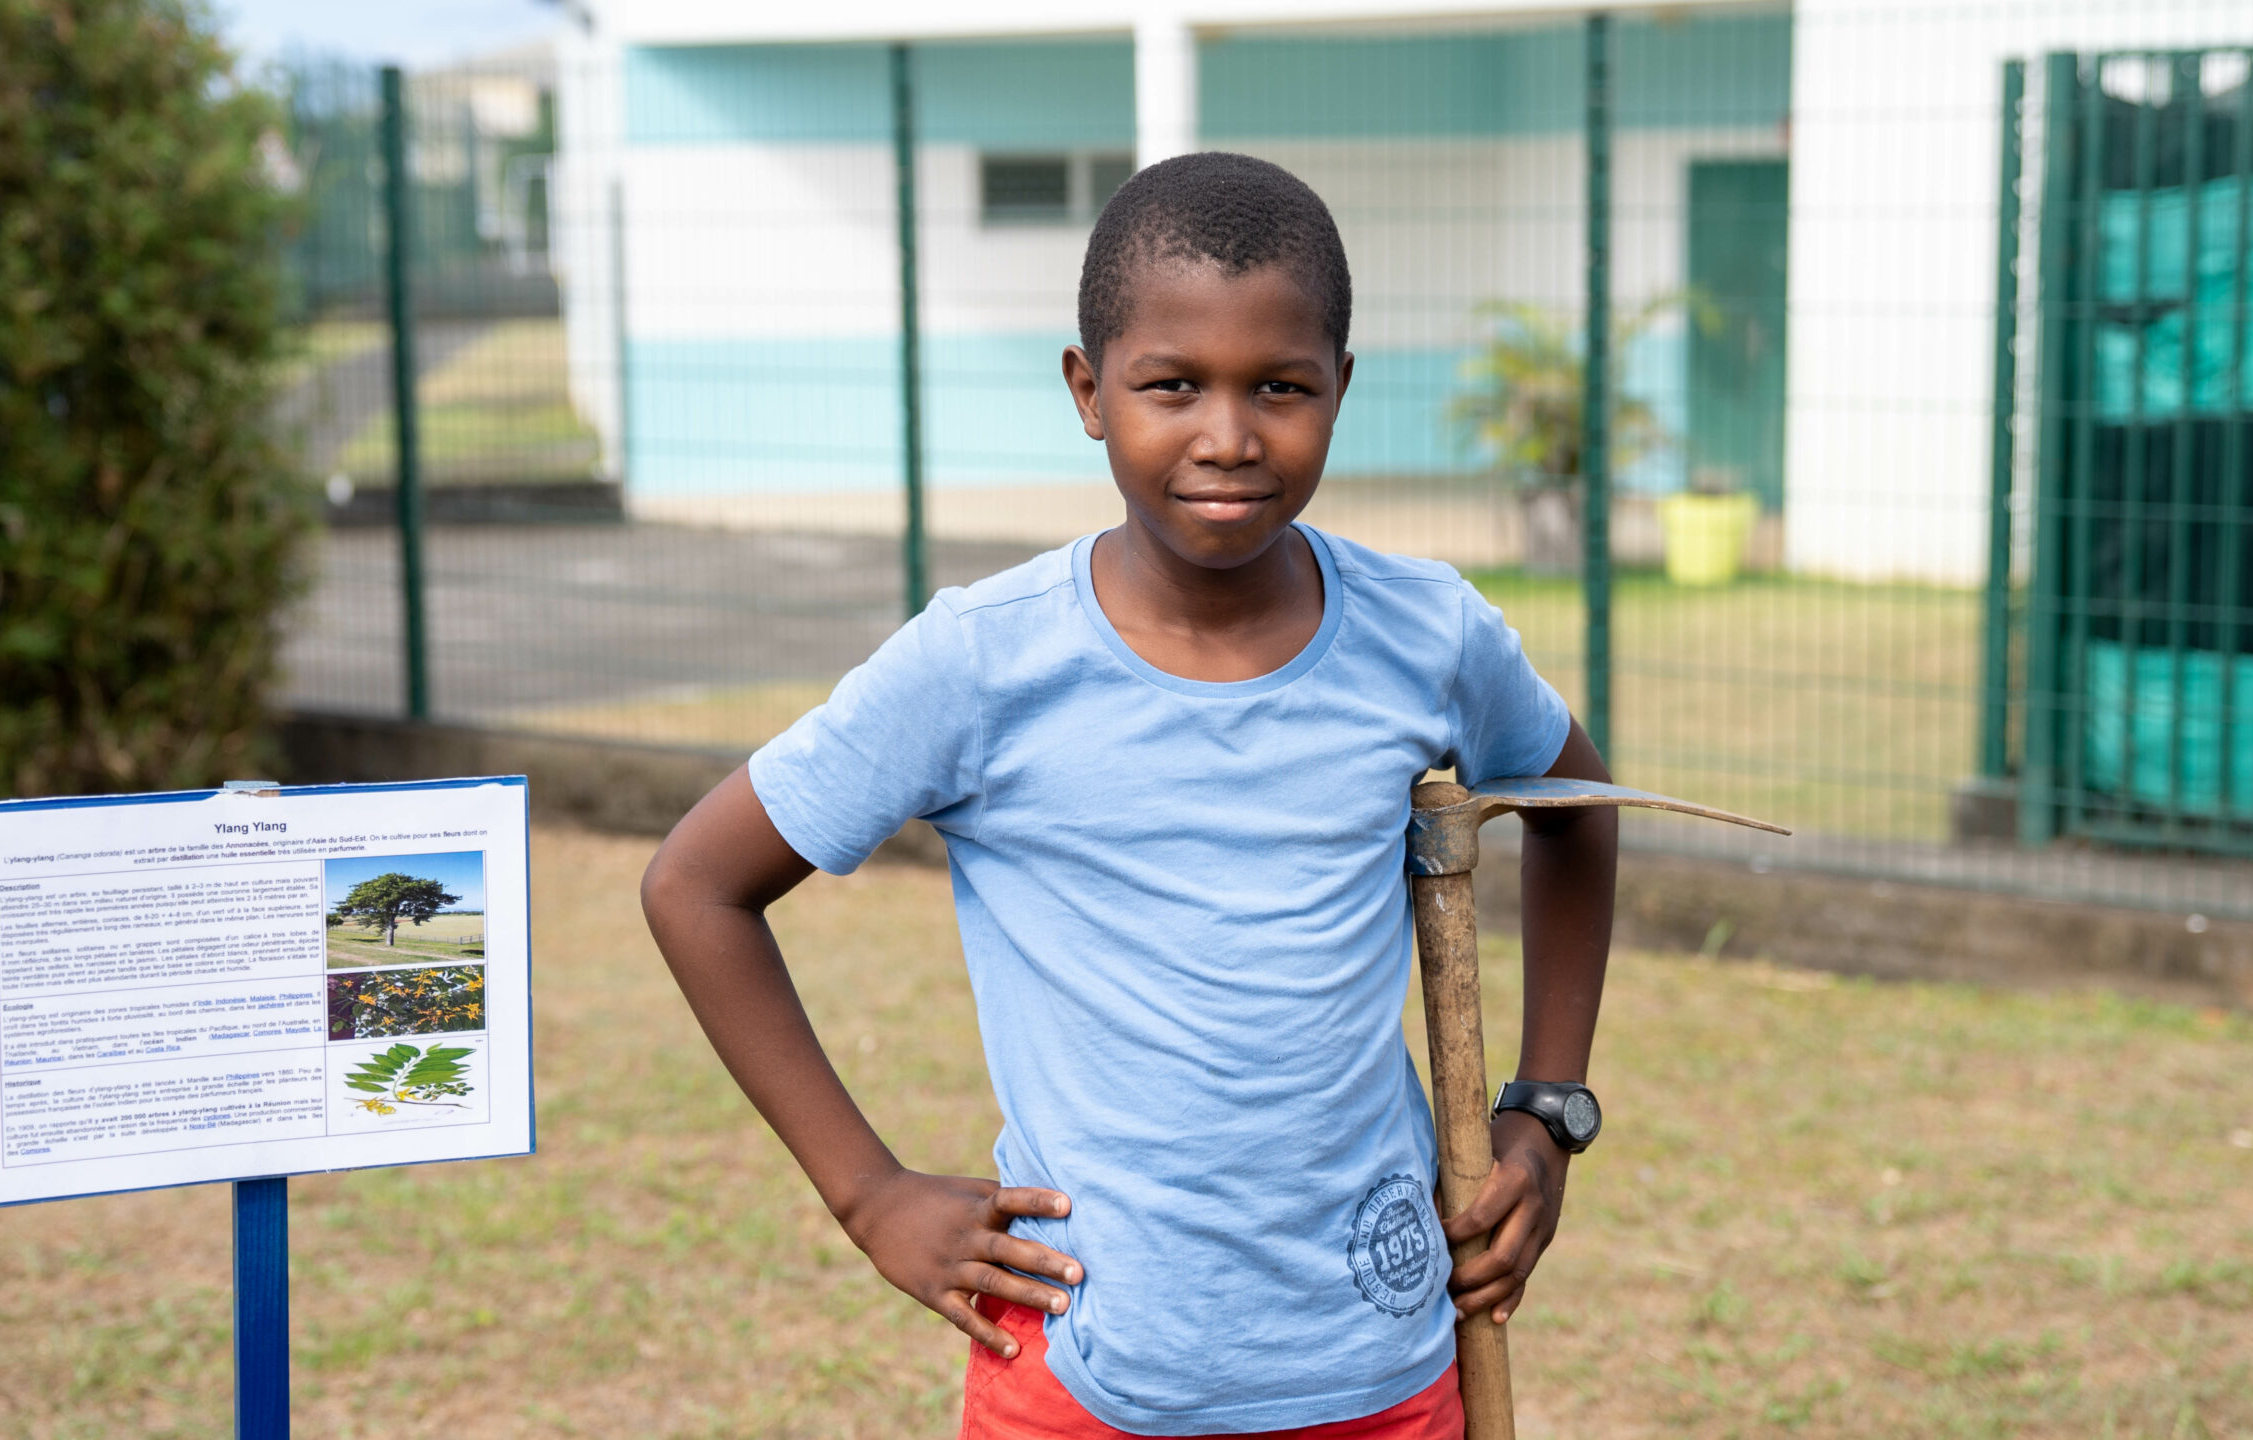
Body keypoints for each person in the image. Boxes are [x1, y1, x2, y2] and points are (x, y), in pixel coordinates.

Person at [640, 152, 1619, 1439]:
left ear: (1340, 387)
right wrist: (867, 1193)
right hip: (1085, 1375)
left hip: (1383, 1357)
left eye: (1280, 386)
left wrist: (1545, 1109)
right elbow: (696, 886)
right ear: (1088, 391)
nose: (1228, 435)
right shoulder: (983, 663)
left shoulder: (1425, 633)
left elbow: (1577, 803)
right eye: (1173, 385)